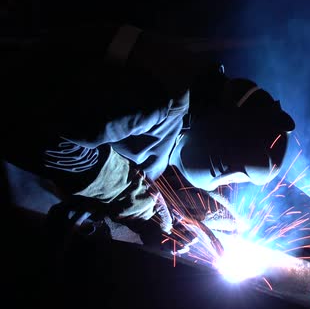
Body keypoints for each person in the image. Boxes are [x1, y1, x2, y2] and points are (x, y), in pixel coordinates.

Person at [1, 23, 295, 245]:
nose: (222, 184)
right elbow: (53, 138)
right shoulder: (159, 102)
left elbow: (126, 132)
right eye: (226, 175)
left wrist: (170, 184)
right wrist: (131, 197)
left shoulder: (195, 91)